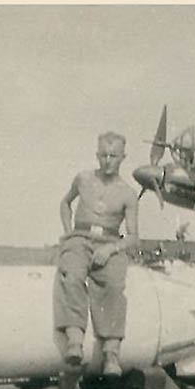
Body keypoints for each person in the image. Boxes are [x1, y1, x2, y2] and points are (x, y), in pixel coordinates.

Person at [53, 131, 139, 376]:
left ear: (123, 157)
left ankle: (111, 353)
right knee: (71, 275)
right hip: (80, 238)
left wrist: (112, 249)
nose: (108, 161)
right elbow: (65, 203)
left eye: (113, 156)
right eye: (103, 155)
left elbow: (133, 237)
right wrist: (69, 233)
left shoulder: (128, 193)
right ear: (97, 155)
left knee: (113, 285)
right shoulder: (83, 179)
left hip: (109, 242)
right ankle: (74, 340)